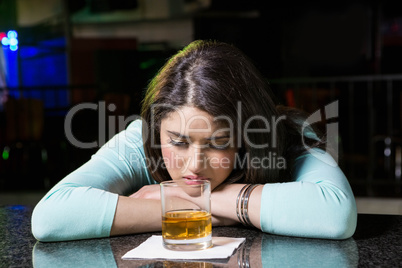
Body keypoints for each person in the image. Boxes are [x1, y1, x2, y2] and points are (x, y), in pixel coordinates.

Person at [31, 40, 357, 242]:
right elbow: (51, 218)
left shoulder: (290, 131)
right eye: (179, 142)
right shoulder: (138, 140)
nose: (193, 166)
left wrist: (173, 199)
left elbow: (335, 214)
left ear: (247, 139)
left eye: (217, 143)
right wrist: (186, 205)